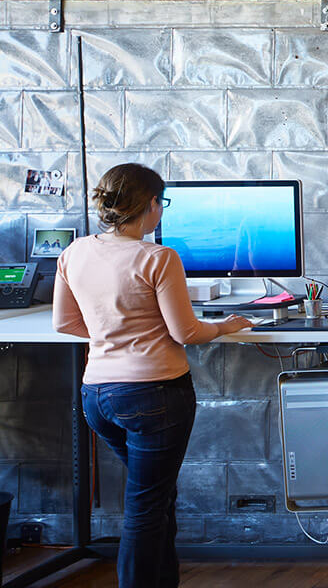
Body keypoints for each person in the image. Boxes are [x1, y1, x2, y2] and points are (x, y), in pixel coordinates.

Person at [52, 164, 252, 588]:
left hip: (97, 397)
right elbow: (187, 332)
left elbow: (65, 323)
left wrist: (114, 332)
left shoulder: (74, 253)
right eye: (161, 202)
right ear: (149, 205)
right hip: (155, 397)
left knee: (157, 495)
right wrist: (228, 326)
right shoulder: (158, 257)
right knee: (145, 505)